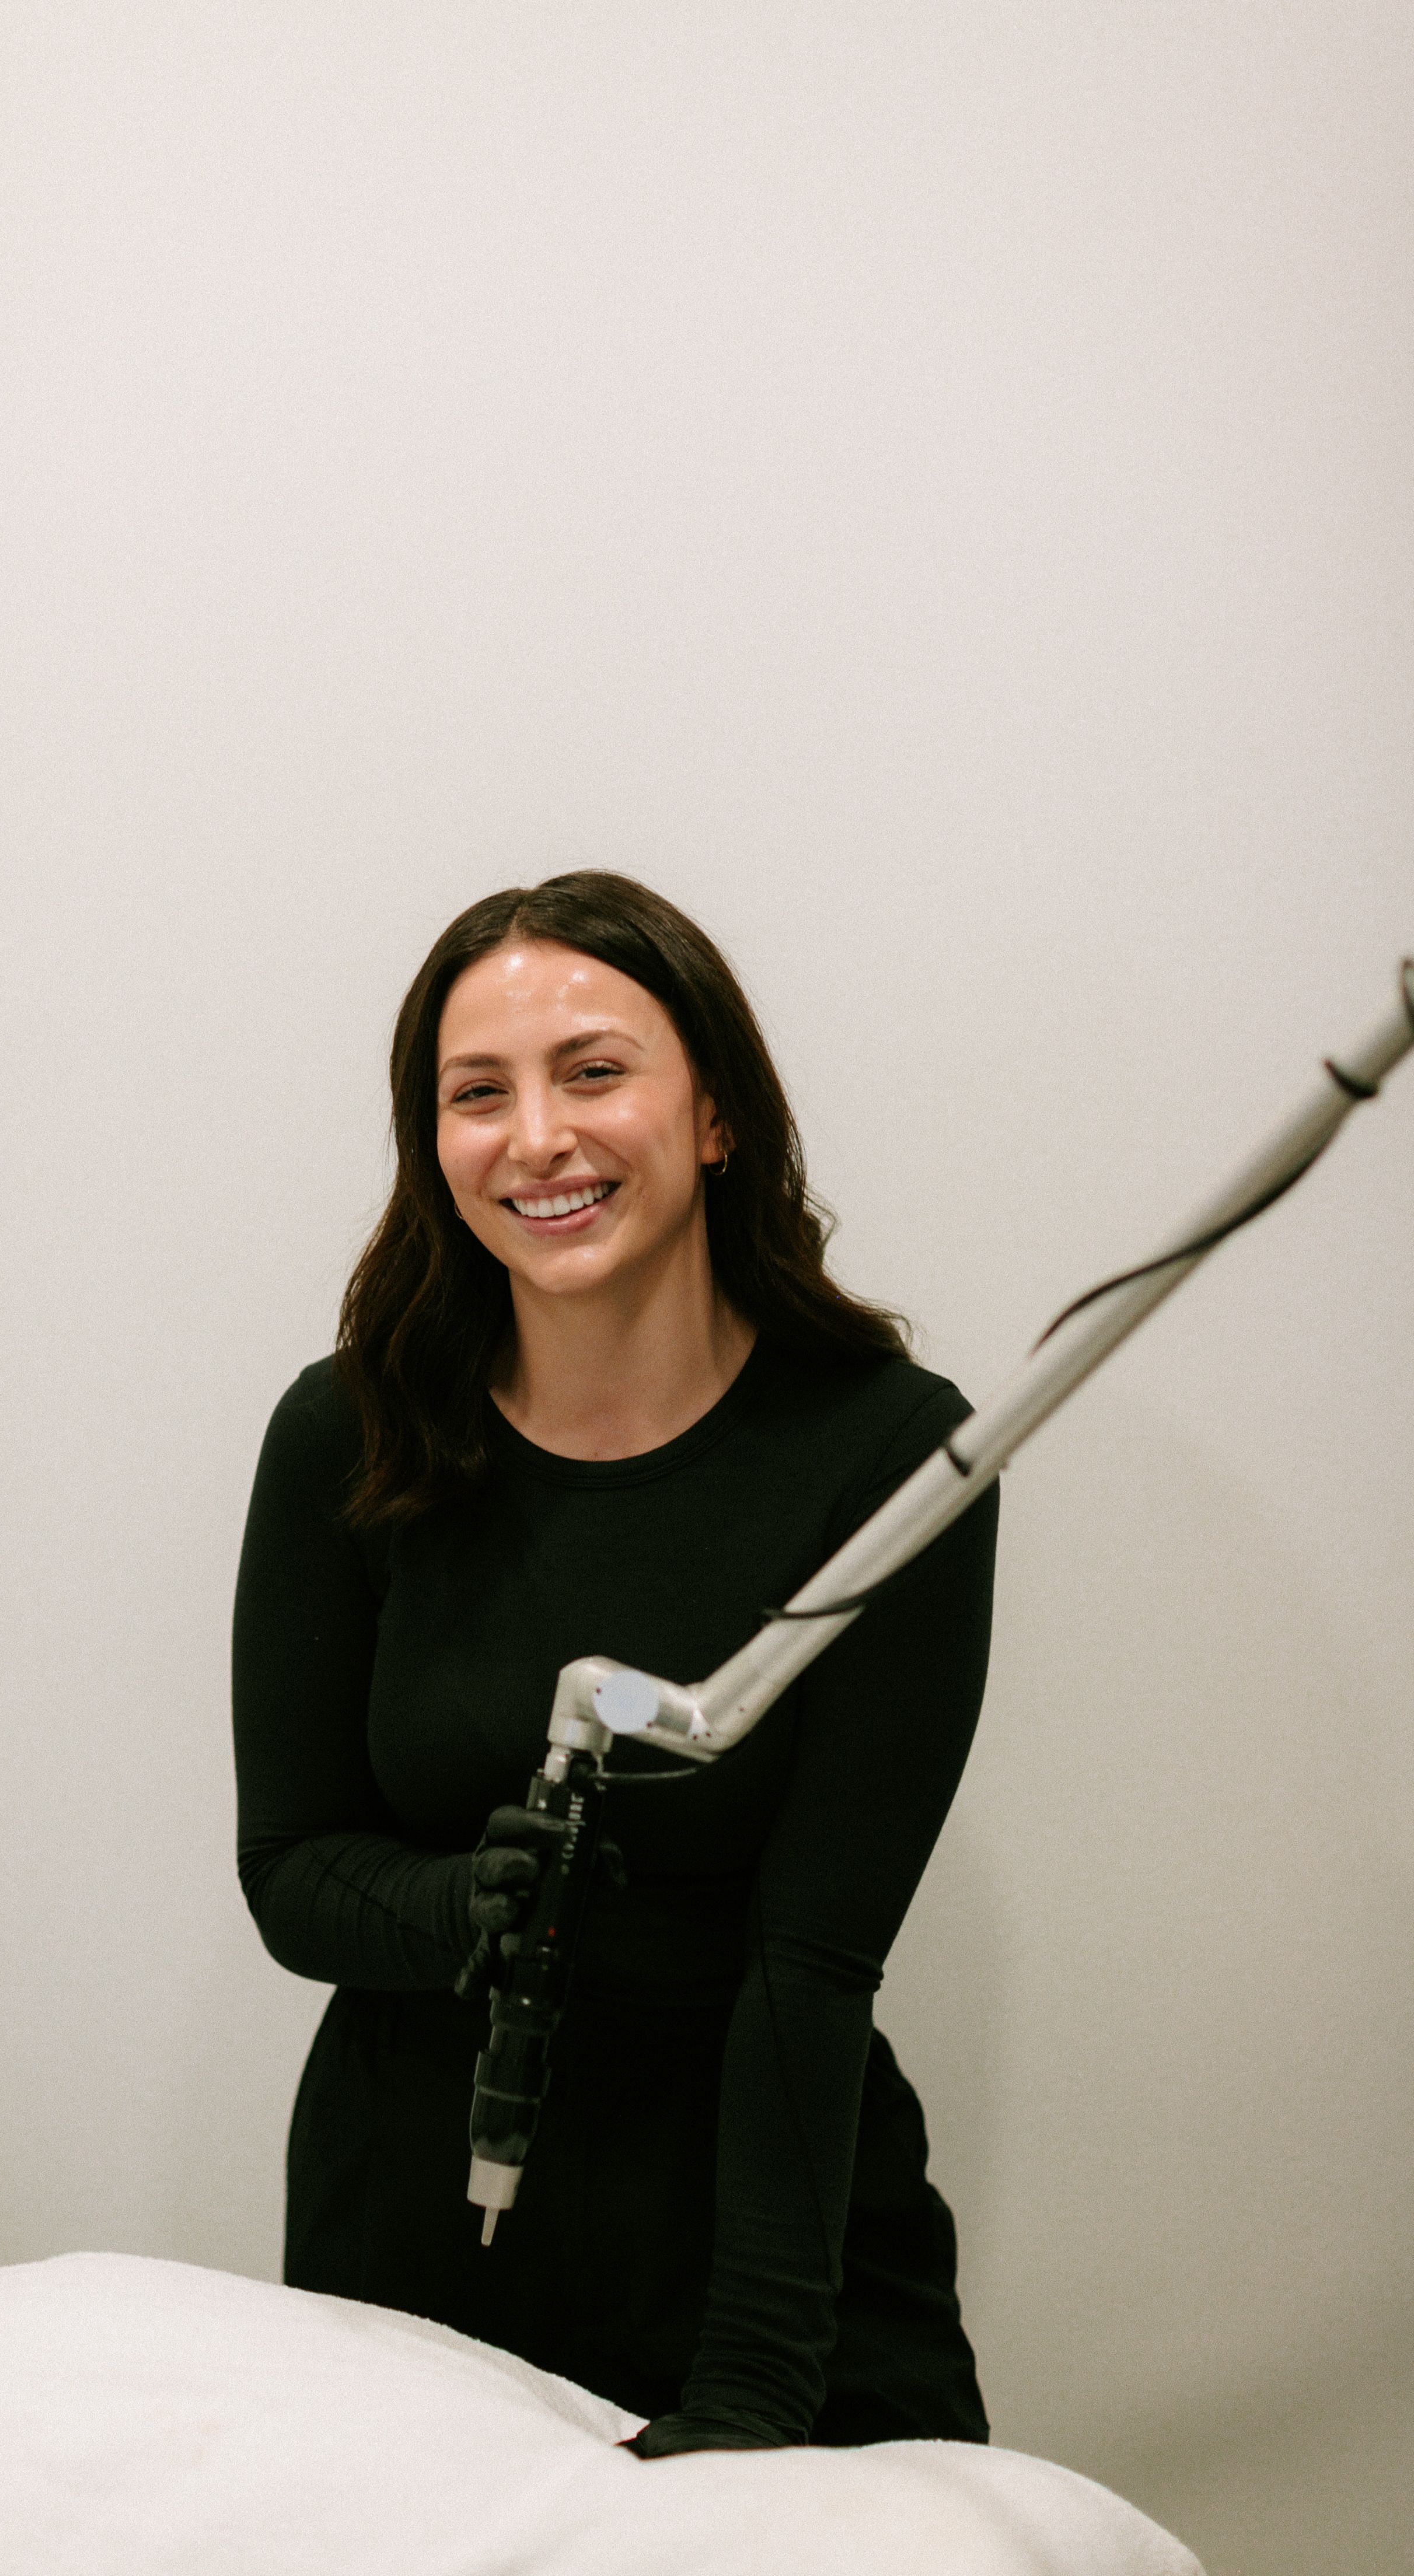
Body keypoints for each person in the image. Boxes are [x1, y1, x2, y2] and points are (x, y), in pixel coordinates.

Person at [232, 871, 997, 2457]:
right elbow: (292, 1874)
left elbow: (814, 1964)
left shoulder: (890, 1460)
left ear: (716, 1115)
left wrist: (757, 2392)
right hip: (422, 2232)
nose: (538, 1138)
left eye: (593, 1072)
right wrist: (470, 1907)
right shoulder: (349, 1435)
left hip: (767, 2240)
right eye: (477, 1095)